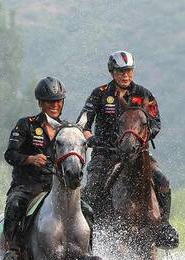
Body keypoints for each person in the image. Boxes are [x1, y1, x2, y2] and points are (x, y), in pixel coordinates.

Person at [77, 51, 179, 249]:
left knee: (163, 181)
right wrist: (91, 139)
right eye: (121, 71)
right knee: (92, 190)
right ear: (112, 72)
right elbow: (83, 124)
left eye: (129, 71)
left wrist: (143, 136)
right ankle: (89, 236)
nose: (125, 75)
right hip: (105, 154)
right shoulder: (99, 93)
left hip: (136, 154)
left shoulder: (144, 94)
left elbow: (156, 123)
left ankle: (164, 227)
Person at [2, 76, 66, 260]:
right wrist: (30, 159)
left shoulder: (67, 130)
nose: (54, 105)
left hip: (54, 186)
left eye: (57, 101)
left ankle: (88, 251)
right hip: (27, 186)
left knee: (86, 209)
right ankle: (13, 250)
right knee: (14, 203)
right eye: (49, 101)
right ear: (40, 103)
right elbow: (10, 154)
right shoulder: (26, 125)